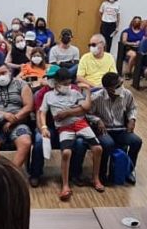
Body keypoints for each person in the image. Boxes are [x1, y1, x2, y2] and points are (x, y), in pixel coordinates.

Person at [39, 68, 103, 200]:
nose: (67, 86)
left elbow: (85, 108)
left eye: (69, 83)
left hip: (80, 123)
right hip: (64, 127)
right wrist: (44, 127)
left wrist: (87, 91)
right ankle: (65, 185)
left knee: (98, 148)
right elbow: (42, 112)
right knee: (66, 153)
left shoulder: (74, 93)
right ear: (56, 83)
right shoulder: (48, 96)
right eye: (64, 84)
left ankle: (95, 178)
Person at [90, 72, 141, 184]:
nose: (121, 87)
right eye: (118, 86)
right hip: (104, 130)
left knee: (136, 141)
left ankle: (129, 171)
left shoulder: (127, 94)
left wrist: (132, 119)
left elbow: (132, 108)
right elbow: (87, 113)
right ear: (109, 89)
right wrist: (97, 120)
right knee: (108, 144)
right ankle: (102, 173)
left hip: (120, 129)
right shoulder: (96, 97)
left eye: (121, 83)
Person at [0, 63, 33, 169]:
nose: (1, 76)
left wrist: (13, 120)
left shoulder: (21, 84)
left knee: (25, 142)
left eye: (3, 73)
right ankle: (2, 171)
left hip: (18, 123)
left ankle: (12, 171)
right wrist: (4, 115)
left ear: (10, 72)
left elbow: (28, 107)